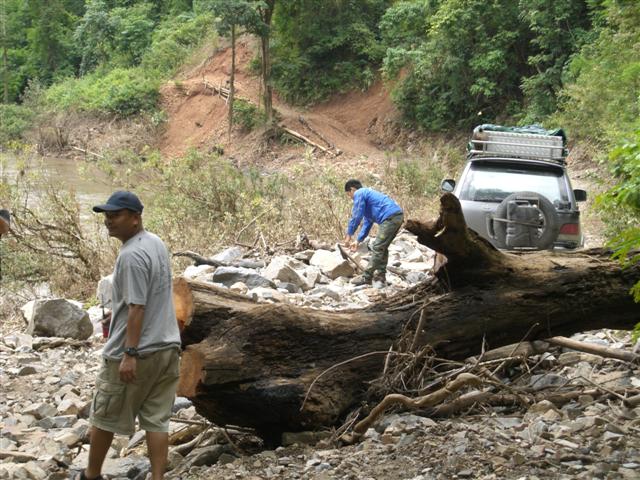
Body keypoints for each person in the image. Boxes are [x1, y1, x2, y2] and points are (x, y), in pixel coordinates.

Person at [78, 191, 181, 480]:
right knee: (157, 420)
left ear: (135, 218)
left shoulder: (131, 255)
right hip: (166, 348)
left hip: (137, 352)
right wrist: (117, 313)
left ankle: (91, 475)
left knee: (104, 415)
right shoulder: (155, 242)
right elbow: (147, 295)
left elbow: (138, 307)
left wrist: (129, 354)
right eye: (106, 216)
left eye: (116, 215)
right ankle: (158, 477)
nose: (108, 221)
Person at [344, 179, 404, 286]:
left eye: (349, 194)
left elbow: (356, 216)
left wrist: (349, 235)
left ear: (352, 189)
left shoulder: (360, 192)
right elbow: (367, 224)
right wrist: (358, 241)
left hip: (390, 217)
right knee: (382, 246)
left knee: (377, 246)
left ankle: (366, 277)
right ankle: (381, 275)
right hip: (396, 216)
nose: (351, 198)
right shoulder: (368, 200)